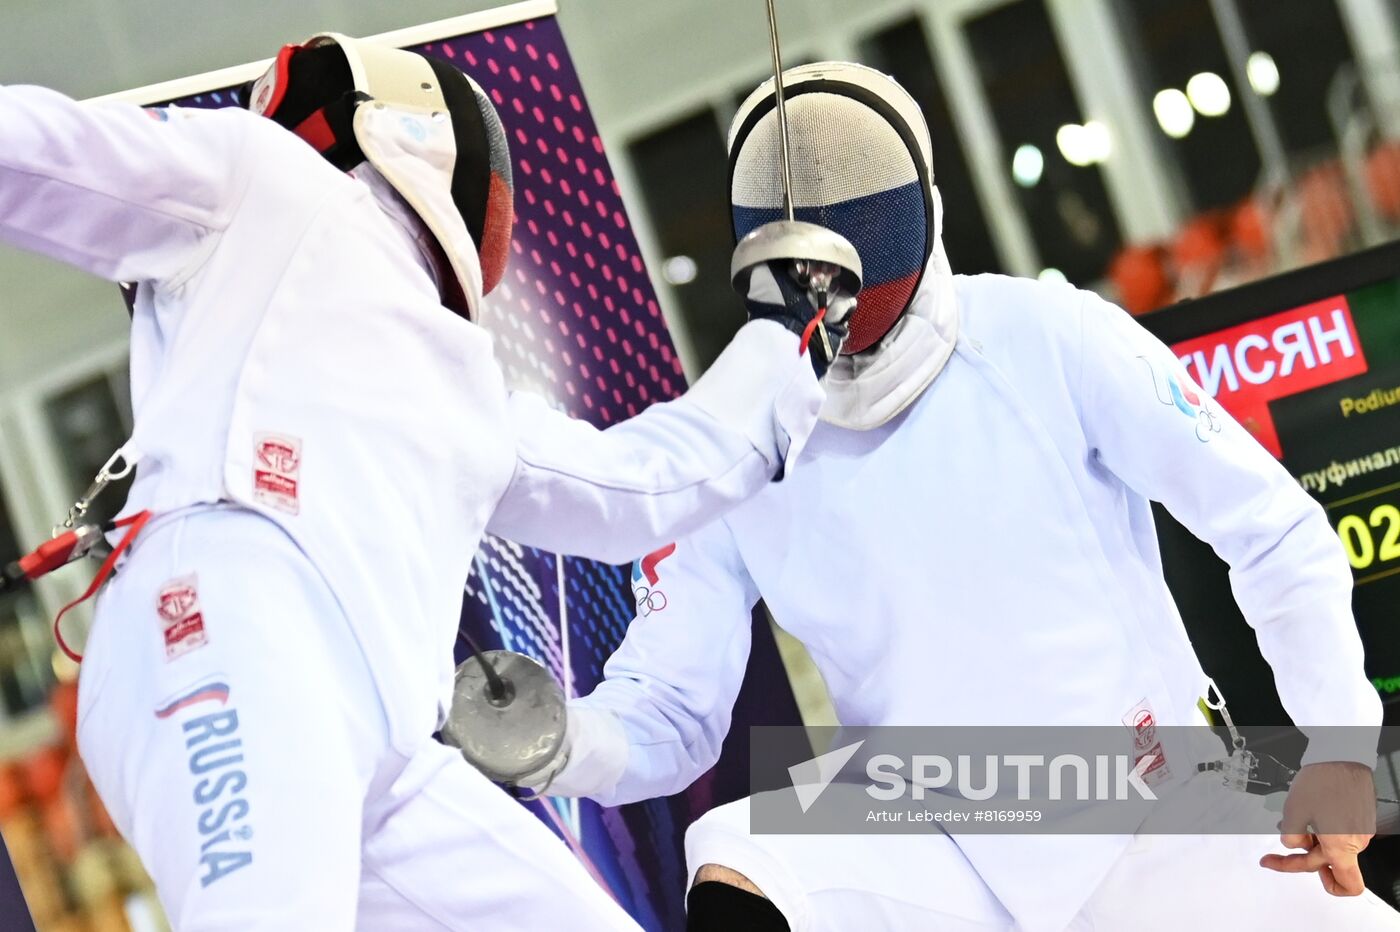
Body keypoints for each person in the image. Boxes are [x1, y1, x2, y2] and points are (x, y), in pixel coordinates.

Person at [0, 35, 848, 931]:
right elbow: (33, 154)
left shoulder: (466, 389)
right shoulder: (261, 181)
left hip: (388, 751)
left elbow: (643, 486)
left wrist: (783, 338)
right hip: (224, 632)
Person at [525, 63, 1400, 931]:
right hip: (930, 837)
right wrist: (560, 741)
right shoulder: (734, 440)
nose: (834, 265)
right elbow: (672, 711)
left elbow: (1271, 526)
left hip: (1155, 804)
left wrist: (1339, 745)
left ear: (915, 215)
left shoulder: (1046, 334)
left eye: (859, 221)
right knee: (743, 865)